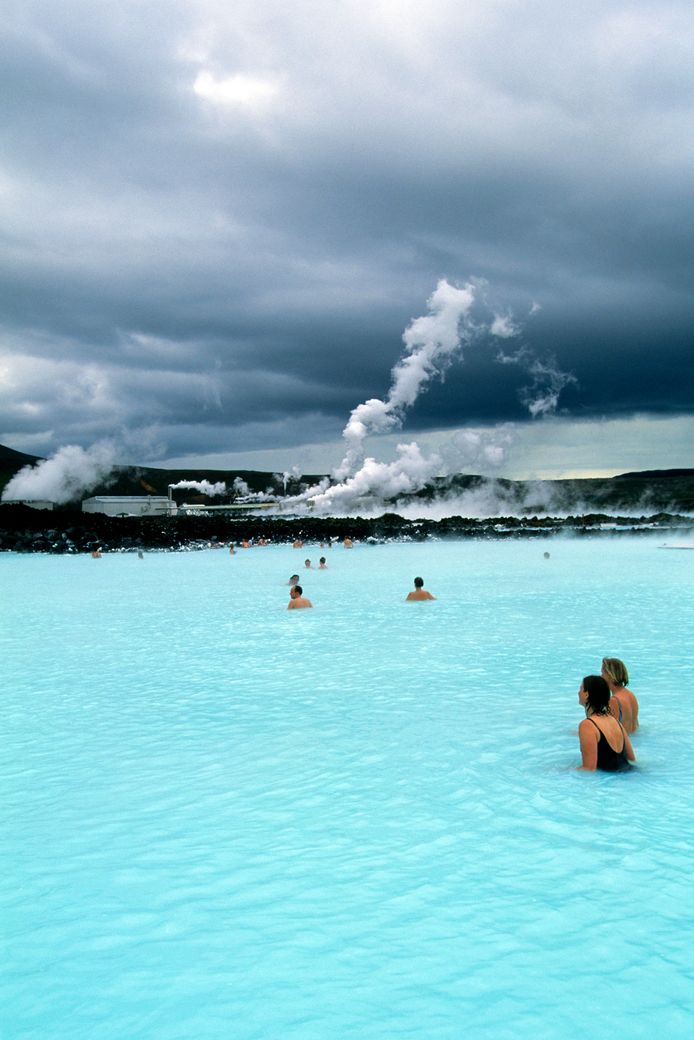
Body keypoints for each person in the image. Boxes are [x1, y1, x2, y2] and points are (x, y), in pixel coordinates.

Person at [577, 675, 635, 772]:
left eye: (581, 689)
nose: (578, 693)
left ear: (587, 694)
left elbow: (589, 769)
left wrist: (564, 772)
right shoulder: (615, 722)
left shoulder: (587, 725)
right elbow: (631, 759)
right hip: (629, 774)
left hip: (612, 783)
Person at [602, 657, 639, 734]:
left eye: (603, 673)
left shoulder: (614, 701)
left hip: (622, 743)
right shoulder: (630, 695)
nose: (601, 677)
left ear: (610, 675)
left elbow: (607, 732)